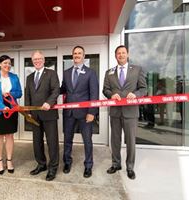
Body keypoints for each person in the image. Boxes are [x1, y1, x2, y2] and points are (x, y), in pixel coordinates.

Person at [103, 45, 147, 180]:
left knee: (130, 141)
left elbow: (144, 89)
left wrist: (136, 94)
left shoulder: (137, 70)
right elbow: (105, 89)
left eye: (123, 53)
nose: (121, 55)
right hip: (115, 112)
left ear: (127, 54)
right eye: (118, 53)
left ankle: (130, 167)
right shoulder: (109, 72)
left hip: (130, 113)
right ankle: (116, 164)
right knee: (115, 140)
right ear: (115, 56)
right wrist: (111, 95)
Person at [60, 46, 99, 178]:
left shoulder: (90, 73)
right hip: (69, 113)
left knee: (87, 140)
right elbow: (63, 89)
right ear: (72, 56)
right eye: (75, 53)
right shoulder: (66, 73)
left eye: (79, 53)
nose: (77, 55)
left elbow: (94, 94)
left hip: (85, 113)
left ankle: (88, 165)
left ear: (84, 56)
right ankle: (67, 162)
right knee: (67, 139)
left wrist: (92, 112)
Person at [25, 50, 60, 181]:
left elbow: (56, 90)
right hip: (35, 116)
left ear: (44, 60)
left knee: (52, 142)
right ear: (32, 61)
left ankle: (53, 168)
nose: (37, 61)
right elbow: (27, 95)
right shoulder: (29, 77)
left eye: (39, 59)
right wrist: (27, 111)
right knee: (37, 142)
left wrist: (49, 103)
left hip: (49, 113)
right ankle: (41, 164)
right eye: (35, 60)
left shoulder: (51, 73)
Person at [0, 55, 22, 175]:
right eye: (5, 63)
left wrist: (10, 94)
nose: (8, 65)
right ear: (0, 64)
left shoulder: (14, 77)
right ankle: (0, 162)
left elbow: (19, 93)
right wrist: (2, 107)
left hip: (11, 108)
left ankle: (9, 160)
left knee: (10, 135)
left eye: (9, 63)